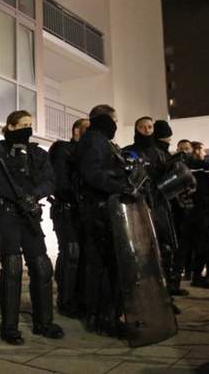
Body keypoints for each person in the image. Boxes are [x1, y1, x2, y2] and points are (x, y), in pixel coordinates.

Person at [0, 110, 64, 345]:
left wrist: (33, 196)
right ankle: (9, 326)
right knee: (12, 268)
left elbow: (50, 180)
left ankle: (44, 322)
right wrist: (18, 197)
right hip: (7, 214)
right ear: (10, 126)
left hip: (30, 215)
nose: (27, 128)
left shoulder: (38, 153)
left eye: (30, 124)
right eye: (22, 124)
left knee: (41, 267)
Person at [75, 104, 128, 336]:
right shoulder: (95, 140)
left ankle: (105, 314)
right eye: (114, 119)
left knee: (108, 265)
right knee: (103, 266)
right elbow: (92, 173)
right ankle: (101, 317)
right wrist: (120, 187)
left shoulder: (103, 141)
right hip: (99, 211)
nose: (116, 124)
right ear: (106, 119)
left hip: (105, 209)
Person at [124, 118, 186, 296]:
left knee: (165, 248)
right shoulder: (129, 151)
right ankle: (141, 293)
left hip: (159, 205)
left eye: (150, 127)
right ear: (136, 129)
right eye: (142, 127)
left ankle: (165, 293)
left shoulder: (160, 153)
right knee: (140, 250)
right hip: (137, 206)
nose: (146, 130)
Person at [48, 118, 89, 319]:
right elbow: (59, 181)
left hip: (87, 212)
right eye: (87, 129)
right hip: (66, 209)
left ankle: (80, 296)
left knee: (84, 254)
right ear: (76, 131)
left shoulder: (92, 153)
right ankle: (65, 300)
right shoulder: (63, 149)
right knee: (71, 251)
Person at [178, 142, 209, 288]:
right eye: (180, 149)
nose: (183, 151)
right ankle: (179, 277)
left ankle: (197, 275)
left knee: (201, 245)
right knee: (183, 247)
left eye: (186, 149)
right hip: (183, 211)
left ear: (192, 150)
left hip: (201, 211)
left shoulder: (203, 165)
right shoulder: (174, 166)